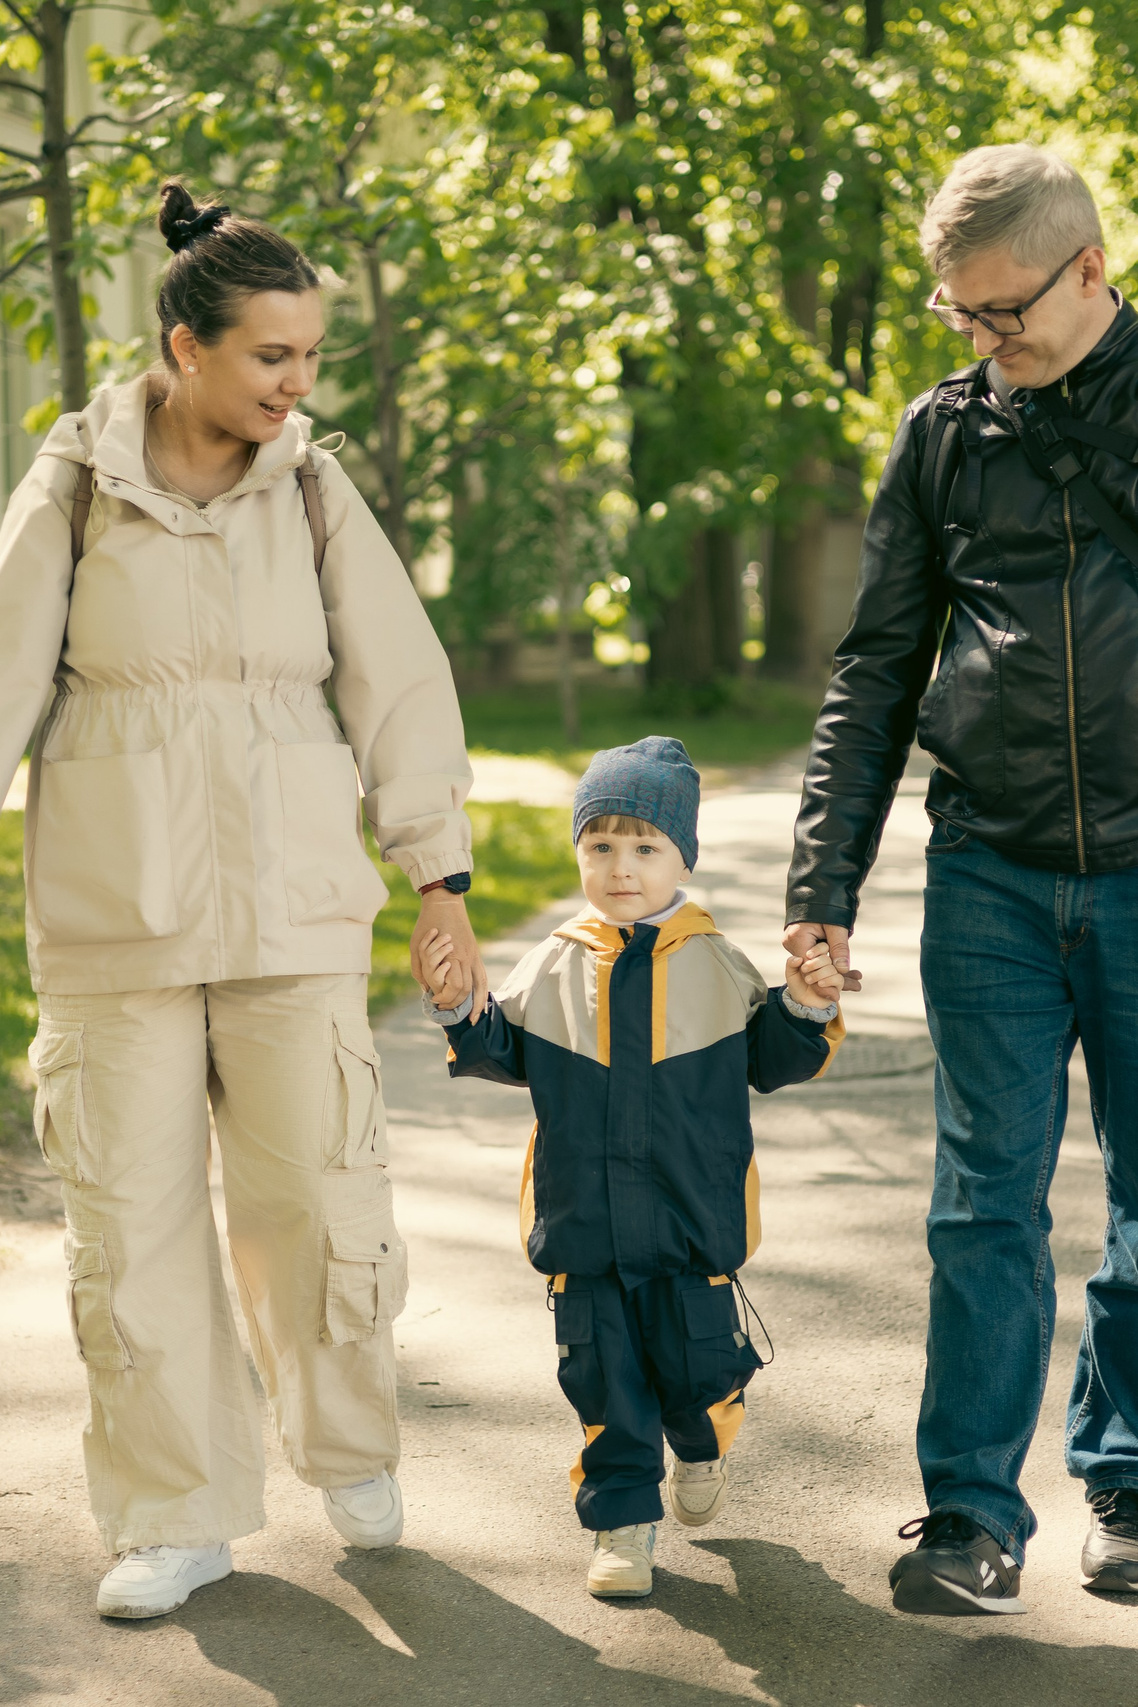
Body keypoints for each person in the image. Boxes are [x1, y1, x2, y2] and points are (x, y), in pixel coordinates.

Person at [0, 182, 486, 1619]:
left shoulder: (315, 487)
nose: (296, 383)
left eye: (312, 356)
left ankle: (347, 1451)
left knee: (317, 1198)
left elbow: (398, 684)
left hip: (291, 912)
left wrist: (439, 877)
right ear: (184, 346)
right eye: (272, 355)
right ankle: (174, 1512)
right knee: (129, 1225)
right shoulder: (72, 482)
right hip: (114, 922)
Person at [784, 143, 1138, 1614]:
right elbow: (876, 664)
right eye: (960, 319)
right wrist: (824, 878)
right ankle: (969, 1519)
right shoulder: (943, 436)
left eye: (1003, 313)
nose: (984, 343)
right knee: (981, 1202)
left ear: (1088, 270)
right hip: (987, 868)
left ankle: (1123, 1480)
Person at [418, 736, 845, 1598]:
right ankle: (622, 1520)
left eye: (645, 846)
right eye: (601, 845)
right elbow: (505, 1049)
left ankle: (705, 1433)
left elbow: (775, 1057)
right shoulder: (557, 959)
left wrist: (806, 1002)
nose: (622, 867)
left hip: (693, 1225)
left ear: (682, 855)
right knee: (603, 1379)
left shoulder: (717, 963)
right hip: (586, 1226)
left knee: (694, 1371)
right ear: (579, 853)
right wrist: (460, 1006)